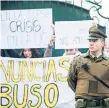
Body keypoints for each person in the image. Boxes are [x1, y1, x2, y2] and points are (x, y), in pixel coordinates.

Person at [67, 26, 109, 108]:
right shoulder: (77, 61)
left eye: (95, 40)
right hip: (84, 105)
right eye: (90, 40)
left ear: (102, 43)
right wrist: (82, 92)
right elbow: (70, 80)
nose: (91, 43)